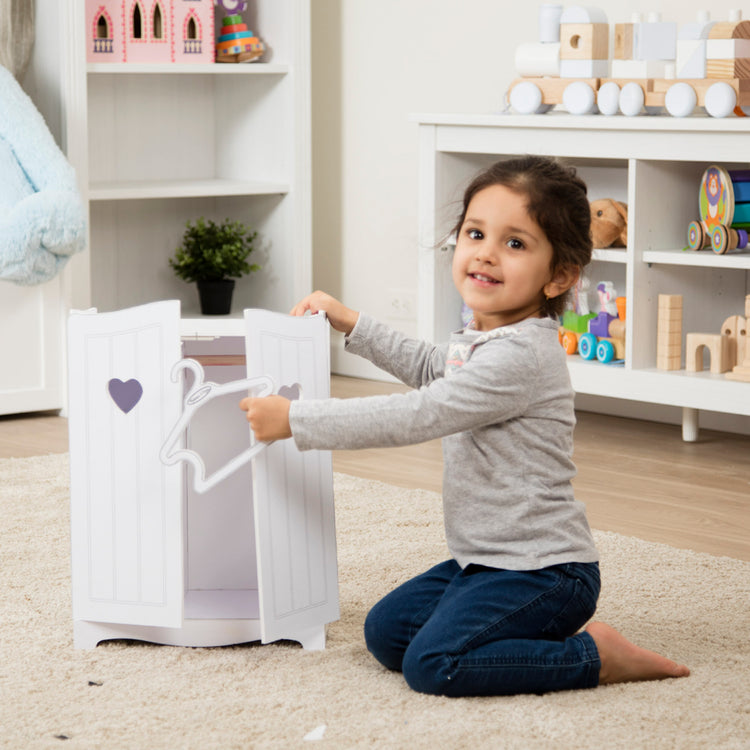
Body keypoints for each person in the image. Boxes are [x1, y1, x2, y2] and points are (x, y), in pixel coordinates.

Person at [240, 155, 690, 697]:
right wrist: (352, 323)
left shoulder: (520, 357)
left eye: (515, 244)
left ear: (560, 277)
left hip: (546, 573)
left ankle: (595, 656)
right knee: (386, 634)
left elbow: (422, 411)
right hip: (483, 562)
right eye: (476, 233)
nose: (486, 253)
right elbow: (435, 369)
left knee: (434, 665)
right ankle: (513, 629)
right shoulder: (486, 338)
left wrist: (297, 420)